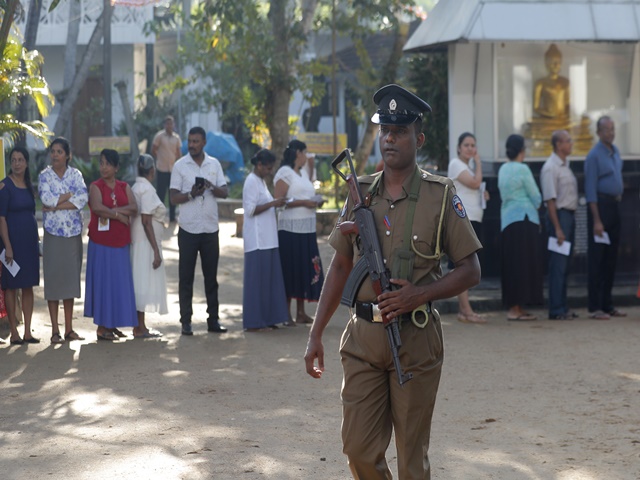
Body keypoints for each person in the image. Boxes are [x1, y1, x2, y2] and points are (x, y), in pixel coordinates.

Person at [304, 84, 482, 479]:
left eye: (399, 131)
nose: (389, 137)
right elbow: (340, 267)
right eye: (385, 129)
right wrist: (315, 334)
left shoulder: (441, 195)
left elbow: (470, 270)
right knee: (358, 449)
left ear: (417, 138)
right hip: (363, 339)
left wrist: (420, 294)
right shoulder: (360, 192)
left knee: (411, 458)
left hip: (415, 340)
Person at [170, 126, 229, 335]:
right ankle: (186, 321)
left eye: (196, 141)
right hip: (188, 229)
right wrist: (191, 194)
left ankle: (213, 320)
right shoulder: (180, 166)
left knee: (211, 277)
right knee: (186, 277)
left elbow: (224, 191)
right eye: (190, 141)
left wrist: (211, 185)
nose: (192, 145)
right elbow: (172, 196)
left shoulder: (214, 164)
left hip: (210, 229)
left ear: (204, 142)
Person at [84, 149, 138, 341]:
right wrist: (118, 216)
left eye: (107, 164)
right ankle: (102, 327)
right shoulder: (95, 186)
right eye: (101, 163)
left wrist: (114, 210)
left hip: (121, 242)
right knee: (103, 283)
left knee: (117, 284)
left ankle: (112, 324)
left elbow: (134, 207)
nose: (103, 167)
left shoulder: (124, 186)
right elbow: (97, 207)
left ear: (116, 167)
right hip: (101, 243)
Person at [38, 137, 89, 344]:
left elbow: (82, 199)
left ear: (67, 155)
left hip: (72, 234)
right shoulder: (44, 176)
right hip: (52, 234)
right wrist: (68, 195)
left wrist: (57, 204)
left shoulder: (76, 175)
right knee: (53, 281)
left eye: (59, 151)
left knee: (69, 281)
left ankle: (69, 329)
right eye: (53, 151)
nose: (55, 155)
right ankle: (55, 331)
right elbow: (45, 199)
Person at [273, 139, 325, 325]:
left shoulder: (303, 173)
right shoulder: (284, 173)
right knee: (291, 268)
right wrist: (304, 203)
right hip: (290, 229)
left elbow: (307, 191)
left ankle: (301, 312)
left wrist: (315, 201)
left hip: (307, 228)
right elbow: (279, 200)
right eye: (305, 152)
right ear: (297, 153)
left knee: (304, 268)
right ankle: (286, 313)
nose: (307, 156)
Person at [241, 149, 289, 331]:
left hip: (269, 239)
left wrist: (275, 203)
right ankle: (253, 321)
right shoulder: (251, 181)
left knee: (269, 281)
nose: (270, 171)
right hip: (257, 240)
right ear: (259, 165)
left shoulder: (261, 181)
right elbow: (251, 209)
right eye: (268, 168)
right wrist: (273, 203)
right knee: (256, 282)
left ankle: (269, 318)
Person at [498, 134, 544, 321]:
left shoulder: (502, 169)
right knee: (524, 266)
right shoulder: (523, 169)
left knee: (512, 265)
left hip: (507, 220)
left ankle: (514, 307)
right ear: (522, 151)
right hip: (525, 220)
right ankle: (516, 310)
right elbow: (536, 197)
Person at [584, 116, 626, 320]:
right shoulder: (593, 156)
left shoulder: (615, 152)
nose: (611, 132)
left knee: (611, 259)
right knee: (597, 260)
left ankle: (608, 304)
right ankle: (595, 306)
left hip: (615, 206)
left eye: (613, 128)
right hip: (600, 208)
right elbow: (590, 189)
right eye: (607, 129)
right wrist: (597, 220)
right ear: (599, 132)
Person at [0, 147, 40, 345]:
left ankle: (27, 332)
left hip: (29, 244)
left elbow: (32, 214)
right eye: (13, 160)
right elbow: (2, 219)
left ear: (26, 163)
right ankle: (14, 332)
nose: (16, 163)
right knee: (11, 286)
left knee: (28, 286)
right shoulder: (4, 186)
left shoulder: (28, 185)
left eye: (20, 160)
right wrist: (7, 245)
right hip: (12, 243)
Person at [448, 132, 488, 324]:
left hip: (473, 217)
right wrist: (479, 164)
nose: (471, 149)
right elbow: (474, 183)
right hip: (464, 219)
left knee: (466, 265)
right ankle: (466, 310)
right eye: (467, 145)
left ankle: (465, 311)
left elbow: (475, 186)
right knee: (463, 266)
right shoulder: (456, 164)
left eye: (473, 145)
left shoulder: (467, 167)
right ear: (459, 148)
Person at [540, 130, 579, 320]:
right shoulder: (551, 167)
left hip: (569, 216)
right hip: (559, 218)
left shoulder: (566, 166)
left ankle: (563, 307)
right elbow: (550, 201)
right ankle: (555, 309)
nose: (571, 143)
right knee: (558, 265)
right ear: (558, 145)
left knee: (566, 265)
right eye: (568, 141)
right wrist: (558, 228)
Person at [131, 154, 167, 338]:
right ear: (152, 171)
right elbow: (146, 221)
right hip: (145, 241)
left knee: (140, 281)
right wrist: (155, 250)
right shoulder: (146, 189)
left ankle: (140, 325)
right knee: (143, 282)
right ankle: (140, 327)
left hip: (140, 240)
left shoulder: (137, 186)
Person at [151, 115, 181, 223]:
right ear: (165, 125)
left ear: (174, 125)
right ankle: (160, 217)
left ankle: (172, 217)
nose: (169, 125)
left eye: (171, 123)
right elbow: (153, 149)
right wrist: (159, 157)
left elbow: (178, 153)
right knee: (161, 194)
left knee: (173, 193)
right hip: (162, 169)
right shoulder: (159, 136)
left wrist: (177, 163)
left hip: (172, 170)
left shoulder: (176, 138)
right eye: (167, 123)